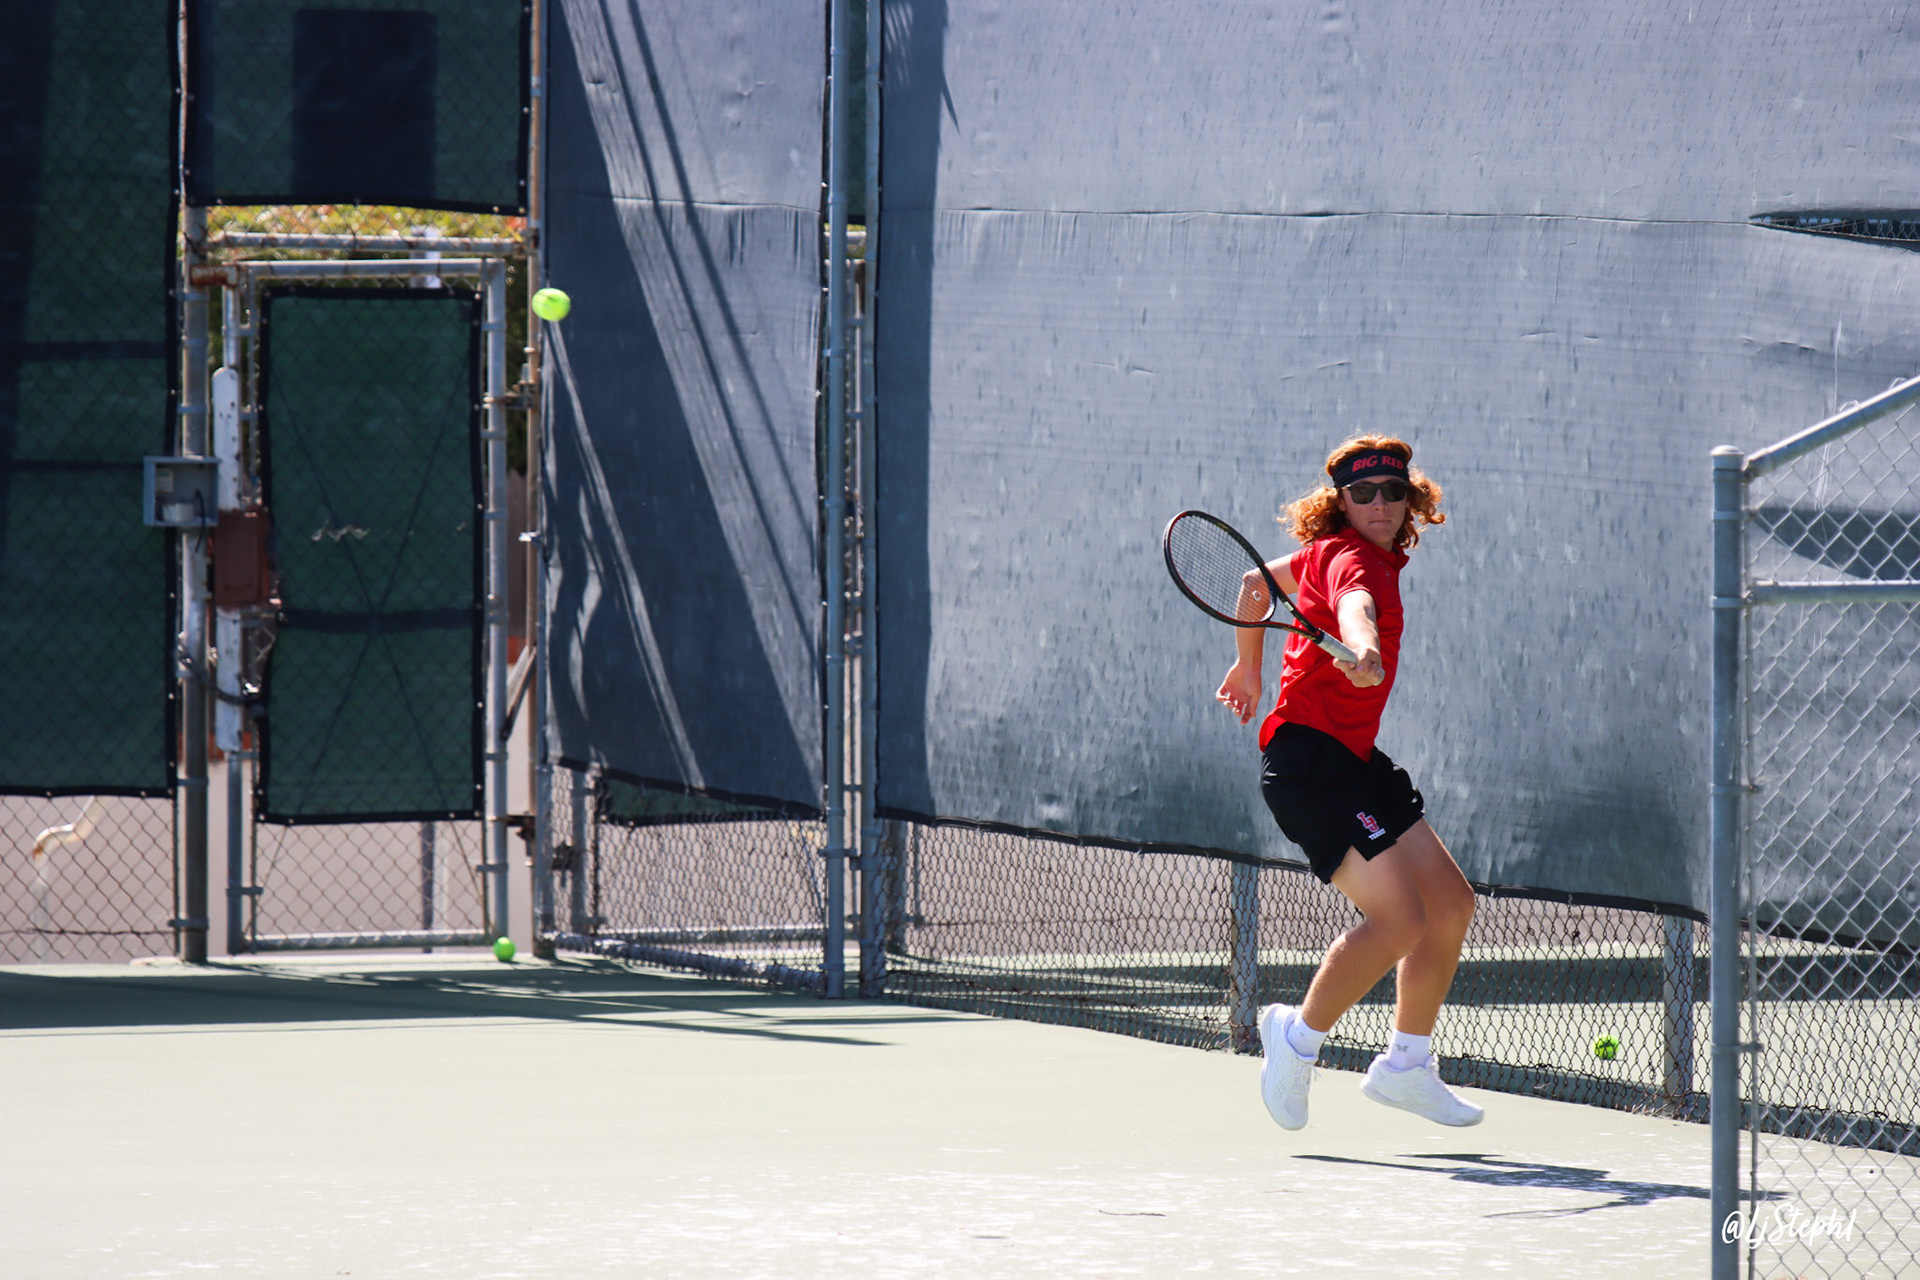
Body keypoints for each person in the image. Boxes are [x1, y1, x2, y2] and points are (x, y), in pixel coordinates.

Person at [1215, 434, 1483, 1130]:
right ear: (1341, 502)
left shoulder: (1327, 554)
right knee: (1401, 920)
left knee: (1449, 904)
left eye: (1394, 491)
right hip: (1311, 768)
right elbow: (1355, 604)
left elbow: (1253, 584)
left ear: (1410, 500)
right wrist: (1361, 645)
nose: (1381, 504)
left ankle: (1406, 1066)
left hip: (1354, 759)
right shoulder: (1354, 559)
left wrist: (1249, 665)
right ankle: (1295, 1038)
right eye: (1363, 493)